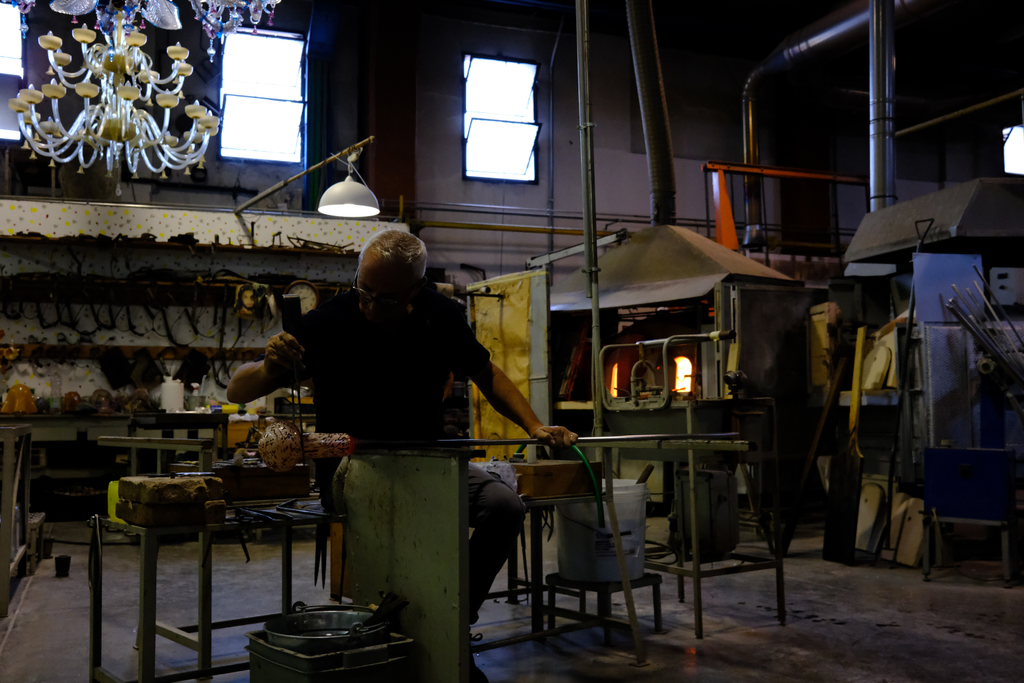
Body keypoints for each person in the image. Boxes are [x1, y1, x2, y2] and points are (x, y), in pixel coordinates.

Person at [227, 230, 577, 683]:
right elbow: (238, 388)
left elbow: (485, 373)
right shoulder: (328, 322)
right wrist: (271, 364)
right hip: (352, 470)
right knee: (404, 553)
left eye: (384, 299)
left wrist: (534, 426)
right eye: (364, 291)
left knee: (504, 506)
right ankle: (401, 648)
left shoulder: (440, 316)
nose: (370, 305)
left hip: (426, 464)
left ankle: (453, 623)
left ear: (416, 289)